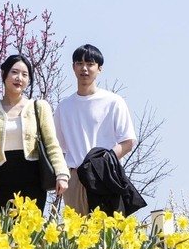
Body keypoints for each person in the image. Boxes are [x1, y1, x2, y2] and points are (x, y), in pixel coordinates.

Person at [0, 53, 69, 213]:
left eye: (25, 75)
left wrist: (61, 174)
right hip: (1, 178)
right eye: (14, 72)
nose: (19, 78)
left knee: (29, 232)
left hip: (32, 177)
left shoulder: (39, 107)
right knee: (2, 232)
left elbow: (52, 144)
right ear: (4, 74)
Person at [53, 44, 137, 215]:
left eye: (90, 63)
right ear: (73, 67)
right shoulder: (64, 107)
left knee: (107, 234)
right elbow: (58, 149)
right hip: (75, 177)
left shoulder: (113, 101)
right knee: (76, 235)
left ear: (99, 68)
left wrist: (103, 162)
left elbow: (128, 141)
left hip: (105, 176)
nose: (84, 68)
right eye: (79, 63)